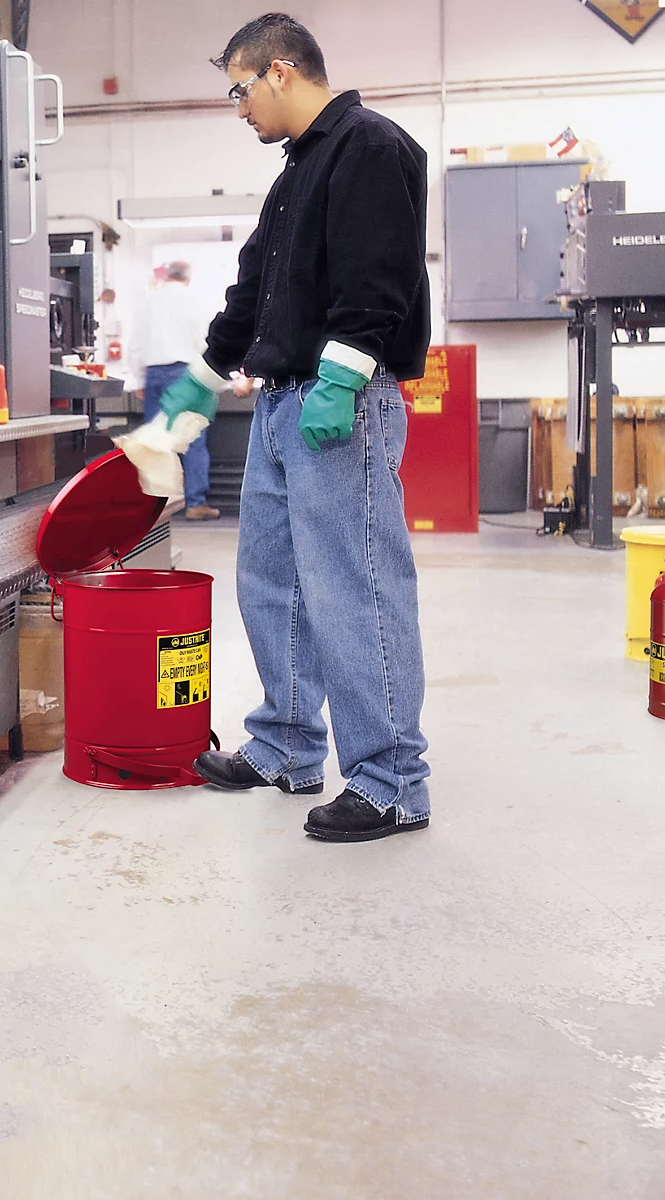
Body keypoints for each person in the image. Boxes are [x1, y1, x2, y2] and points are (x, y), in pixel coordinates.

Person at [157, 13, 432, 843]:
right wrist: (203, 377)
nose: (239, 109)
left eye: (240, 91)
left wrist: (343, 377)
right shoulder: (297, 171)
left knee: (355, 589)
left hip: (340, 404)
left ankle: (392, 783)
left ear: (280, 70)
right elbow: (253, 291)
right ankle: (285, 747)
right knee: (271, 584)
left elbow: (380, 276)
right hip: (281, 406)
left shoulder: (370, 147)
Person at [128, 262, 220, 520]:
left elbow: (134, 344)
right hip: (186, 375)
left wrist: (139, 379)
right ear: (188, 279)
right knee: (193, 438)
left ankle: (155, 507)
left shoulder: (148, 302)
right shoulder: (194, 301)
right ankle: (195, 504)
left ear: (167, 277)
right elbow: (205, 343)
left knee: (155, 440)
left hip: (153, 374)